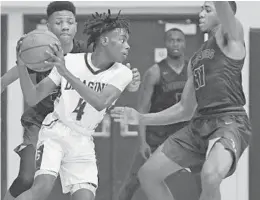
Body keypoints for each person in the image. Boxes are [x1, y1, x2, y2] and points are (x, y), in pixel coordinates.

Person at [111, 2, 251, 200]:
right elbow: (184, 109)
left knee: (210, 176)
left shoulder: (232, 37)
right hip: (198, 124)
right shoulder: (195, 60)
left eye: (207, 9)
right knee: (147, 175)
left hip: (229, 121)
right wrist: (141, 118)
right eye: (201, 8)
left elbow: (224, 10)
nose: (201, 13)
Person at [1, 2, 140, 200]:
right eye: (122, 39)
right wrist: (22, 64)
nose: (128, 45)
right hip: (50, 125)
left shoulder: (107, 65)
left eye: (69, 21)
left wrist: (131, 83)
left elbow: (101, 100)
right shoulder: (54, 57)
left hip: (82, 137)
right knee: (33, 183)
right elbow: (29, 95)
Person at [117, 28, 198, 200]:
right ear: (165, 43)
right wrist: (142, 142)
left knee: (203, 178)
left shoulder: (193, 70)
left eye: (179, 40)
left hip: (184, 136)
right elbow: (142, 109)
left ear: (185, 43)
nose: (175, 44)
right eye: (171, 40)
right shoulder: (155, 72)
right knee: (133, 181)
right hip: (156, 136)